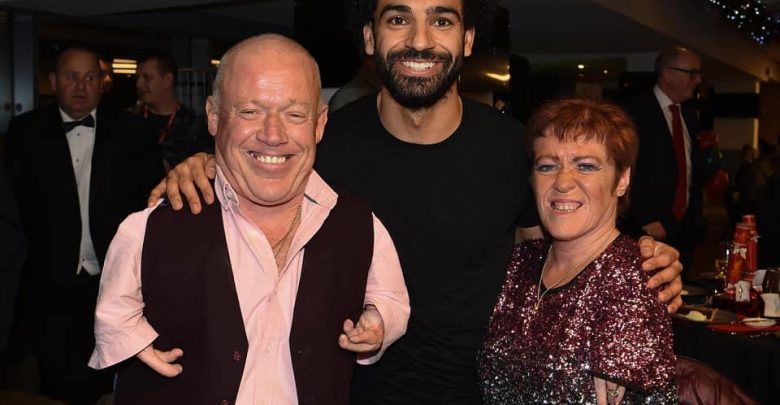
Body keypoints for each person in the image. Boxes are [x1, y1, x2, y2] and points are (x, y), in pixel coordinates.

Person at [150, 1, 684, 403]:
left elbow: (554, 249)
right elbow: (254, 169)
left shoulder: (511, 149)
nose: (420, 40)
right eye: (399, 18)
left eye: (442, 20)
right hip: (342, 391)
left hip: (476, 395)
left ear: (468, 39)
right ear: (370, 37)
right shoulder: (323, 146)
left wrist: (633, 265)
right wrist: (205, 164)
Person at [89, 34, 410, 405]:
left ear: (320, 123)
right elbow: (113, 314)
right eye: (250, 112)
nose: (272, 135)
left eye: (294, 115)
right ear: (213, 117)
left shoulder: (361, 225)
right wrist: (134, 346)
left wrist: (378, 321)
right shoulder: (148, 230)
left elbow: (391, 298)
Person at [479, 98, 678, 405]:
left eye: (585, 166)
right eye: (547, 166)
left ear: (622, 180)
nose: (562, 182)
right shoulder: (520, 262)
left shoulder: (634, 278)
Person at [1, 46, 163, 404]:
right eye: (71, 77)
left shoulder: (133, 131)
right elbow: (12, 212)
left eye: (90, 77)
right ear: (53, 81)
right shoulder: (25, 132)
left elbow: (152, 205)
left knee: (113, 378)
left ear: (102, 83)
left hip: (115, 279)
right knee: (56, 379)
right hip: (48, 282)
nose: (80, 86)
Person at [622, 46, 704, 276]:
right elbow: (625, 168)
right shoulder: (634, 112)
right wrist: (644, 218)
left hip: (685, 227)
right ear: (668, 73)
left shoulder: (689, 116)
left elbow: (688, 170)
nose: (698, 80)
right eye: (692, 73)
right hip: (648, 229)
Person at [134, 52, 214, 170]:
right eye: (137, 78)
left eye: (147, 78)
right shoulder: (130, 120)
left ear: (167, 80)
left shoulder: (193, 126)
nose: (139, 84)